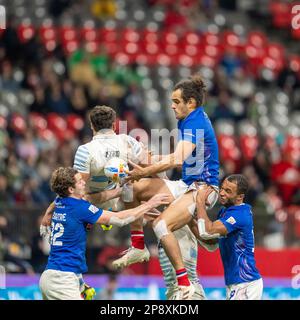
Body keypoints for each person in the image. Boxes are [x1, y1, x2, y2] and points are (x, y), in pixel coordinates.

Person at [113, 74, 220, 300]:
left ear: (191, 102)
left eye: (176, 101)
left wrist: (147, 169)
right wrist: (150, 162)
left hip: (203, 189)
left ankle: (185, 284)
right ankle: (139, 245)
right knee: (132, 187)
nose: (171, 106)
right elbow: (177, 157)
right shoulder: (188, 119)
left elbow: (178, 159)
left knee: (161, 225)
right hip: (186, 185)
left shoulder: (195, 121)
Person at [39, 167, 169, 300]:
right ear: (71, 190)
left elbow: (81, 199)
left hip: (52, 276)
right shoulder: (80, 208)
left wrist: (121, 190)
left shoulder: (60, 201)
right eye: (79, 181)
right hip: (62, 280)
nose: (84, 182)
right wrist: (149, 204)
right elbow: (121, 219)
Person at [196, 174, 263, 300]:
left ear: (240, 197)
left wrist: (199, 202)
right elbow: (210, 243)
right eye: (222, 188)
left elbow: (207, 230)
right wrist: (190, 219)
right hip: (235, 283)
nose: (221, 193)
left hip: (245, 282)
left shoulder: (240, 215)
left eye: (228, 191)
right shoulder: (225, 211)